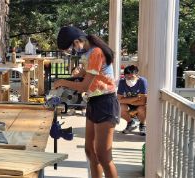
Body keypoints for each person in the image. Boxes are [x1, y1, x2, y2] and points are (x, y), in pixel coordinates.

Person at [55, 26, 120, 178]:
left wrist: (62, 82)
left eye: (71, 49)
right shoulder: (88, 51)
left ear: (77, 41)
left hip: (106, 103)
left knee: (104, 156)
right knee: (90, 151)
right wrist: (79, 73)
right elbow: (89, 74)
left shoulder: (96, 52)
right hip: (93, 101)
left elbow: (85, 86)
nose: (73, 52)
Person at [117, 65, 147, 136]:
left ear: (137, 75)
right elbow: (119, 99)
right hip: (130, 106)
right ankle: (130, 122)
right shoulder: (122, 82)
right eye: (127, 77)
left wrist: (126, 100)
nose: (130, 79)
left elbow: (143, 101)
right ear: (124, 76)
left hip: (139, 106)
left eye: (132, 77)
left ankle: (142, 124)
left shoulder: (142, 81)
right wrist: (136, 98)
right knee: (120, 108)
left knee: (142, 108)